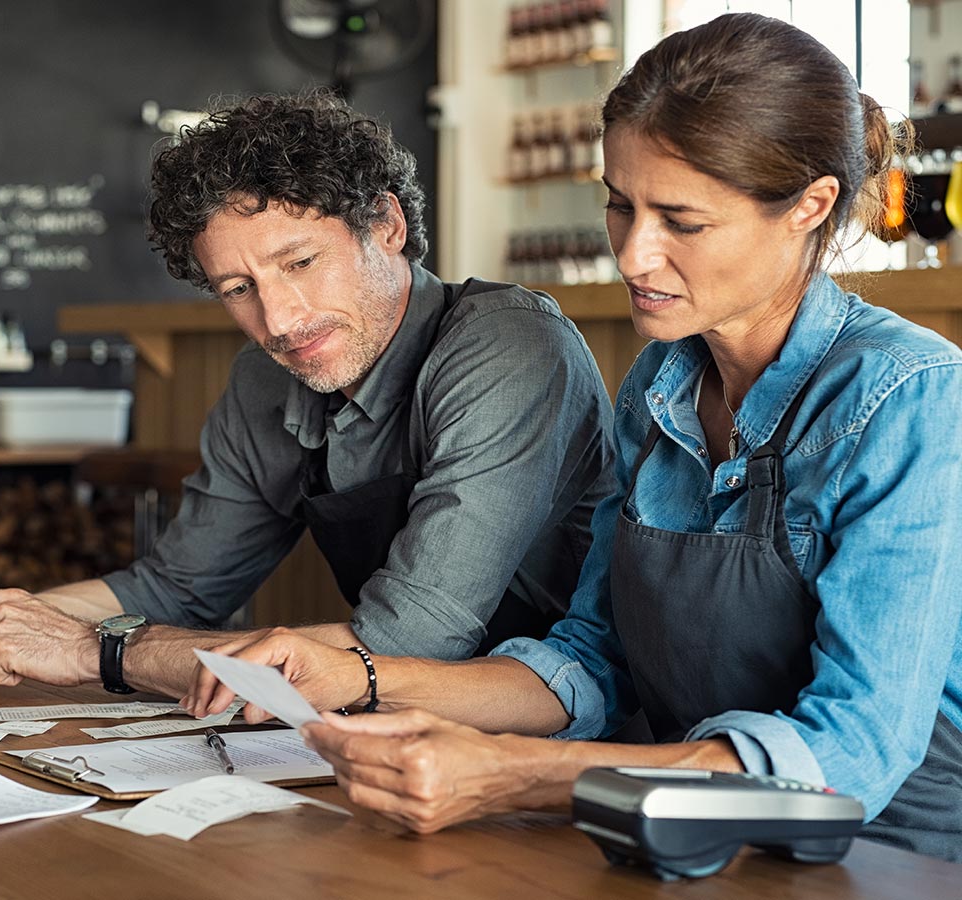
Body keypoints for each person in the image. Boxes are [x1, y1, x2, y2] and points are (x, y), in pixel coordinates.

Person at [185, 13, 962, 861]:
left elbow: (854, 755)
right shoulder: (659, 390)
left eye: (681, 221)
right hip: (689, 838)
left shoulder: (910, 398)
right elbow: (592, 661)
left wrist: (516, 774)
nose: (633, 255)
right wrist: (361, 678)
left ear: (809, 206)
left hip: (892, 857)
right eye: (619, 206)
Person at [0, 91, 615, 700]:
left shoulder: (508, 346)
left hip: (566, 734)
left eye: (301, 263)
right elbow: (179, 587)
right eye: (237, 287)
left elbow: (414, 639)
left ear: (387, 225)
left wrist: (97, 651)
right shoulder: (266, 378)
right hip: (391, 731)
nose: (277, 321)